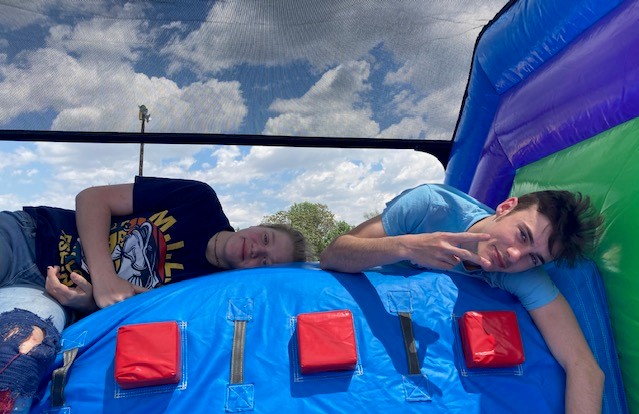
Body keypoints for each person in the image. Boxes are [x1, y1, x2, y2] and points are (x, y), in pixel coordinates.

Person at [0, 175, 307, 413]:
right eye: (265, 238)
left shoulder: (205, 297)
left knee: (20, 351)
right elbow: (91, 198)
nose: (255, 249)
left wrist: (90, 303)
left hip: (44, 299)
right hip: (30, 237)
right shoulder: (199, 200)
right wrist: (105, 278)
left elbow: (127, 313)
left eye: (265, 261)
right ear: (258, 225)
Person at [320, 183, 604, 414]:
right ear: (506, 207)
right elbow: (334, 254)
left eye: (534, 257)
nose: (515, 255)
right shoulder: (430, 207)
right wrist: (406, 246)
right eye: (522, 235)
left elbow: (584, 366)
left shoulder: (522, 273)